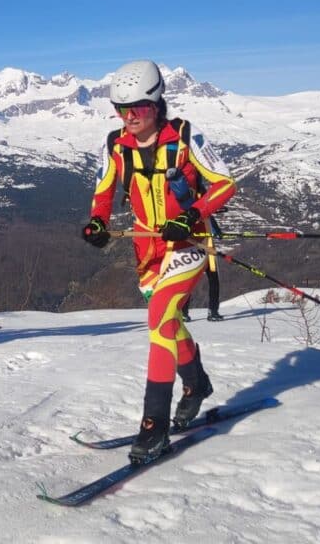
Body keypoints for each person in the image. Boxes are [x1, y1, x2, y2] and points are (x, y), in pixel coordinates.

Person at [81, 59, 236, 463]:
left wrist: (191, 215)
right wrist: (97, 223)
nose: (130, 117)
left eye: (139, 109)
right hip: (148, 251)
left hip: (189, 244)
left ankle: (154, 426)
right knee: (168, 322)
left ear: (158, 104)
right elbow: (103, 190)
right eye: (121, 109)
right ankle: (196, 382)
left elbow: (224, 184)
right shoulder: (115, 144)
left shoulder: (184, 136)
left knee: (159, 317)